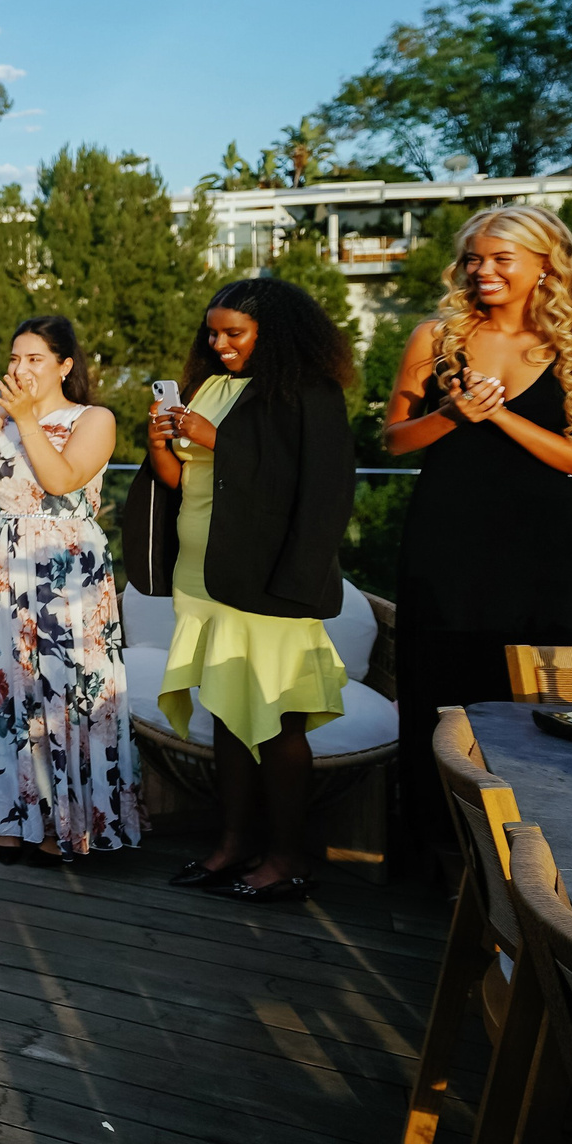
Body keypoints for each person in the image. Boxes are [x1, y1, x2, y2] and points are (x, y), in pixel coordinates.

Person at [124, 276, 356, 903]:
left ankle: (286, 859)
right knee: (225, 711)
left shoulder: (311, 393)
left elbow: (314, 488)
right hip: (203, 577)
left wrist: (209, 436)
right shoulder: (214, 389)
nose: (219, 343)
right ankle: (231, 845)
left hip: (272, 581)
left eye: (235, 333)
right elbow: (183, 482)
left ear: (273, 332)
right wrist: (160, 445)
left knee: (279, 722)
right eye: (214, 332)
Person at [382, 205, 572, 862]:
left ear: (543, 264)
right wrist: (453, 414)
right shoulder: (436, 336)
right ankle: (440, 858)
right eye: (474, 258)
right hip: (444, 544)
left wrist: (500, 418)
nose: (484, 270)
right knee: (438, 696)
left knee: (539, 703)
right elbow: (393, 441)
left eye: (502, 258)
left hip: (543, 551)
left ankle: (537, 866)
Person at [0, 315, 138, 865]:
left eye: (35, 358)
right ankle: (12, 817)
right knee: (9, 694)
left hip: (66, 576)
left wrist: (27, 418)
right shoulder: (7, 421)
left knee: (63, 695)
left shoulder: (93, 418)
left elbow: (60, 480)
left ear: (64, 364)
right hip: (4, 569)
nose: (20, 368)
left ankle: (67, 823)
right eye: (14, 358)